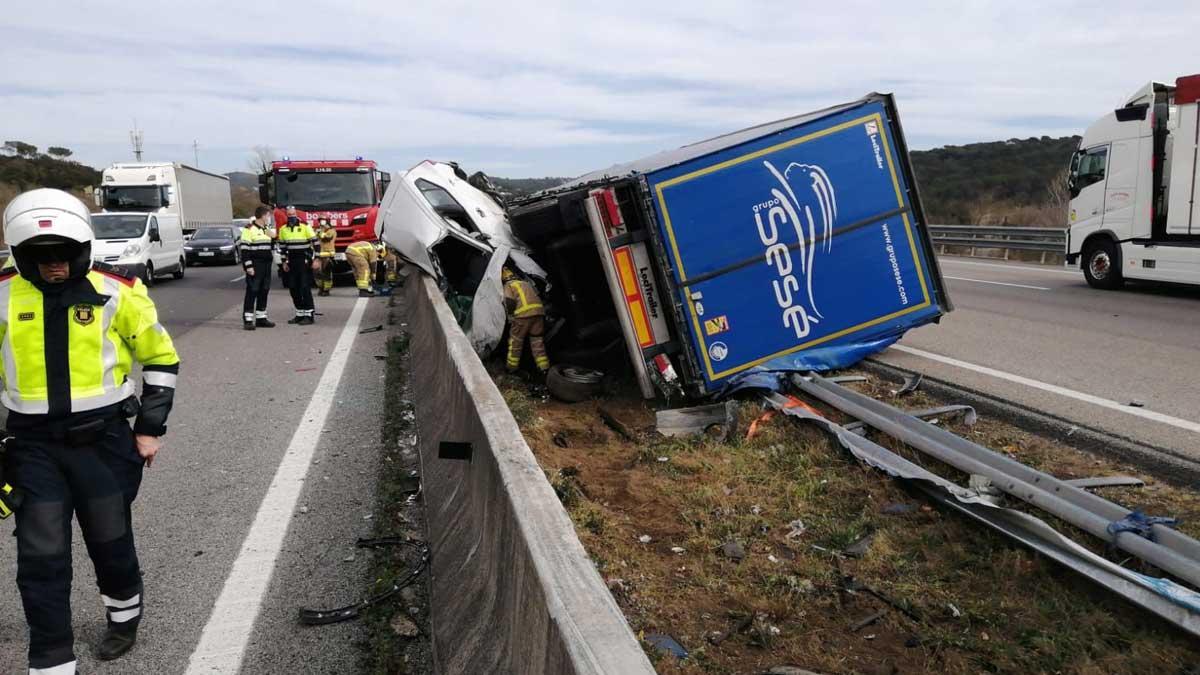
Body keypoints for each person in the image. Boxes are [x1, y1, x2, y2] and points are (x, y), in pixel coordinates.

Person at [0, 188, 181, 673]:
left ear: (83, 249)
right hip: (33, 448)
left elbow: (160, 360)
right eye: (41, 259)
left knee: (109, 538)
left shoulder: (119, 291)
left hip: (103, 442)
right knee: (40, 554)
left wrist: (150, 428)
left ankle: (124, 617)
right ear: (20, 256)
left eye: (64, 257)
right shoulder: (2, 294)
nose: (54, 267)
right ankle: (52, 659)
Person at [502, 266, 549, 375]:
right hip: (539, 313)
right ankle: (544, 368)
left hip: (523, 316)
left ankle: (511, 368)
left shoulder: (508, 285)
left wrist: (510, 315)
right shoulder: (526, 283)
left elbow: (509, 301)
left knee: (516, 342)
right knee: (537, 342)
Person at [277, 206, 318, 325]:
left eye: (293, 214)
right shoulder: (283, 229)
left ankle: (309, 315)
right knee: (293, 288)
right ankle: (300, 314)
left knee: (304, 287)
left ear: (296, 214)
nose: (291, 217)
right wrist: (284, 262)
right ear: (286, 215)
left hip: (304, 261)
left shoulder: (305, 226)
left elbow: (316, 243)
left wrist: (317, 259)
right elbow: (283, 248)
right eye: (289, 215)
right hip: (291, 262)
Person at [239, 206, 276, 330]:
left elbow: (274, 241)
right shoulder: (249, 229)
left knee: (264, 289)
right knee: (253, 290)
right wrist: (248, 266)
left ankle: (261, 318)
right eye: (268, 215)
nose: (269, 218)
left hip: (266, 264)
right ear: (263, 216)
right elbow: (244, 249)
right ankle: (248, 319)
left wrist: (271, 234)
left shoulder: (267, 229)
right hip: (255, 264)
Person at [315, 218, 336, 296]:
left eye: (324, 223)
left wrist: (320, 232)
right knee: (317, 272)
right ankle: (320, 288)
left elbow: (326, 239)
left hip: (327, 255)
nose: (322, 225)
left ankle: (326, 290)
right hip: (318, 255)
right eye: (321, 223)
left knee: (326, 273)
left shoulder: (332, 231)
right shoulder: (318, 231)